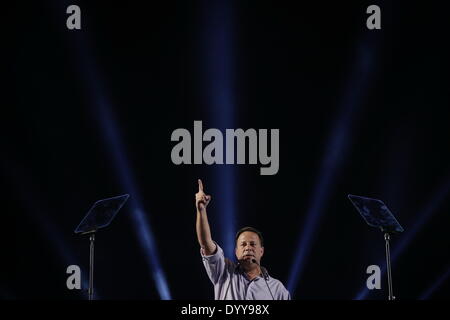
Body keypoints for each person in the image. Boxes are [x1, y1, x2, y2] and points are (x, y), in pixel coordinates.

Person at [195, 179, 291, 300]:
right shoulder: (224, 271)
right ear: (236, 252)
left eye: (252, 244)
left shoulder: (277, 289)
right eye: (243, 244)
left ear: (261, 251)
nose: (247, 248)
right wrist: (201, 210)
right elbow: (206, 243)